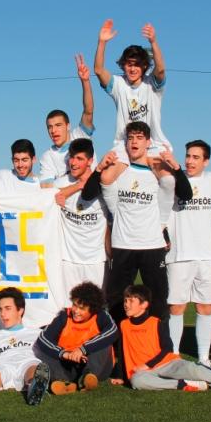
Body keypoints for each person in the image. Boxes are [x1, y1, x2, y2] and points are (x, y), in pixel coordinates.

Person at [83, 122, 181, 322]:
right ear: (125, 143)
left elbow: (170, 184)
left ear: (148, 142)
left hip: (152, 246)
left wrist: (157, 163)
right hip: (123, 245)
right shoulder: (120, 172)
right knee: (117, 299)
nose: (134, 141)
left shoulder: (157, 174)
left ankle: (158, 347)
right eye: (130, 138)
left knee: (158, 298)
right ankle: (122, 348)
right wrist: (114, 163)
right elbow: (105, 182)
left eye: (139, 138)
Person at [115, 285, 211, 393]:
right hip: (143, 372)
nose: (126, 304)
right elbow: (121, 352)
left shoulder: (155, 322)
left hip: (167, 364)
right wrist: (121, 375)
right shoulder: (123, 325)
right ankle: (181, 384)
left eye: (131, 301)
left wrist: (148, 364)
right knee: (137, 381)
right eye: (125, 300)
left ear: (144, 304)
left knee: (194, 369)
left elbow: (167, 348)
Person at [164, 140, 211, 366]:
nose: (190, 161)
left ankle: (204, 357)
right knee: (177, 307)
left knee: (204, 306)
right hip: (179, 254)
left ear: (206, 161)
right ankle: (174, 354)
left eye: (196, 157)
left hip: (207, 254)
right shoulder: (173, 180)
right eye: (188, 156)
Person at [94, 19, 171, 159]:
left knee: (167, 180)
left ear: (145, 67)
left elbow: (160, 70)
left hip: (153, 145)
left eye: (137, 65)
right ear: (123, 65)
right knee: (106, 176)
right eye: (129, 64)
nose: (133, 69)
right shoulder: (118, 84)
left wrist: (153, 42)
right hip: (125, 145)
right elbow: (99, 70)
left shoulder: (152, 84)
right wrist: (102, 42)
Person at [34, 281, 117, 394]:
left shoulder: (101, 316)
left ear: (92, 309)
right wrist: (64, 353)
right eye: (75, 305)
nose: (76, 311)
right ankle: (63, 382)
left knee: (104, 342)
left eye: (82, 308)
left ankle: (86, 378)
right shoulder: (64, 316)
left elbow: (113, 331)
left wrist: (83, 349)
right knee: (40, 348)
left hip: (97, 367)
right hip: (68, 364)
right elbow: (44, 338)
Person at [55, 138, 108, 293]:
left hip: (96, 260)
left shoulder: (102, 184)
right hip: (68, 259)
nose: (73, 163)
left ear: (90, 161)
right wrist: (77, 186)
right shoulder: (62, 182)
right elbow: (47, 197)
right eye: (71, 157)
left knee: (95, 309)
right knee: (69, 308)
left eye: (79, 158)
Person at [39, 53, 96, 190]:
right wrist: (76, 185)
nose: (53, 131)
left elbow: (88, 110)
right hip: (68, 207)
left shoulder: (80, 134)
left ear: (68, 126)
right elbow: (46, 188)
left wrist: (85, 81)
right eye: (50, 127)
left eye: (58, 125)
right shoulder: (47, 157)